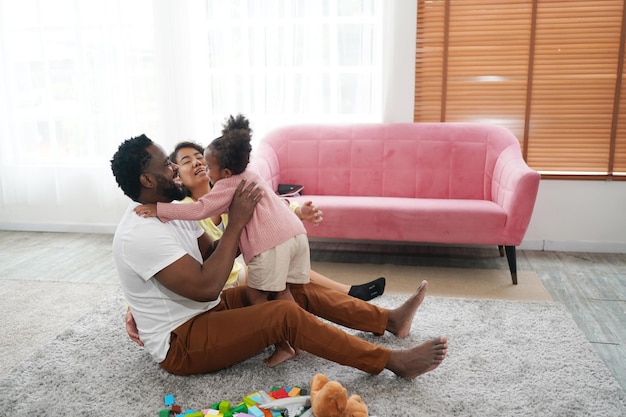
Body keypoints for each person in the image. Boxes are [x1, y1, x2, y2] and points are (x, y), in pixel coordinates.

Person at [111, 133, 447, 379]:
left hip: (208, 310)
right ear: (146, 179)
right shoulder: (141, 231)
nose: (173, 167)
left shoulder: (170, 213)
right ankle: (391, 362)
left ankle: (387, 321)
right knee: (283, 314)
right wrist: (236, 221)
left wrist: (262, 222)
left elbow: (213, 255)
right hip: (181, 340)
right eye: (166, 164)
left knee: (293, 289)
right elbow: (205, 287)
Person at [134, 115, 310, 365]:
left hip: (271, 244)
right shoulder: (251, 173)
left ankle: (285, 344)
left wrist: (159, 209)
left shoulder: (227, 184)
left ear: (225, 171)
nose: (204, 167)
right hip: (295, 234)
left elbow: (199, 209)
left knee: (257, 296)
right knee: (283, 292)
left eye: (207, 164)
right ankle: (299, 339)